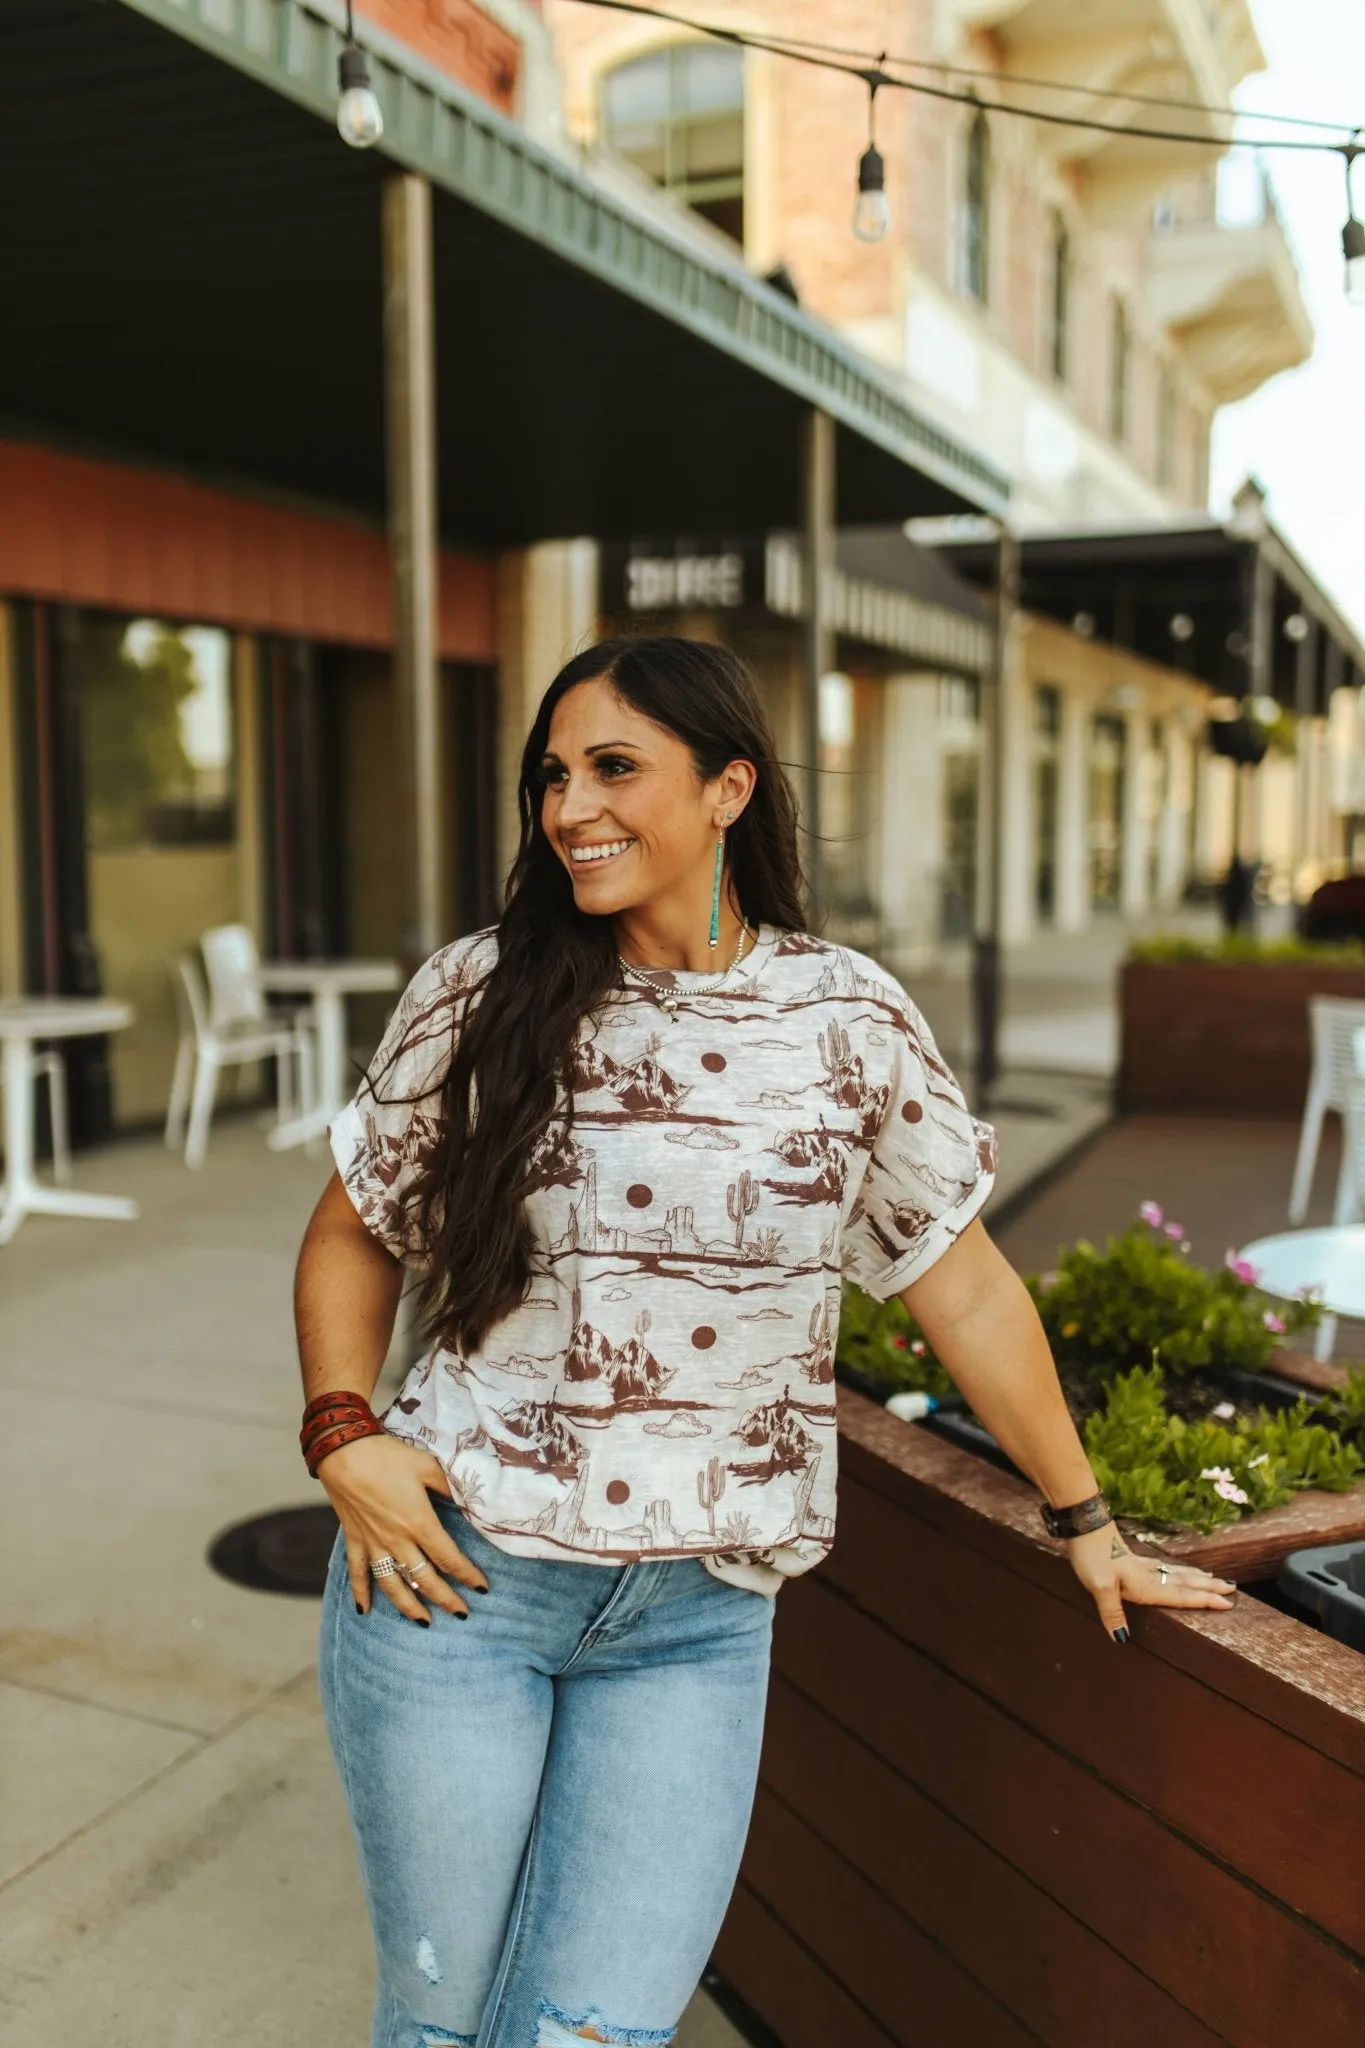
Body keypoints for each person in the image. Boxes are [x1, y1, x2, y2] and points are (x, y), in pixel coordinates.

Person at [294, 636, 1235, 2048]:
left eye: (615, 767)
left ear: (729, 788)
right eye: (552, 775)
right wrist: (342, 1434)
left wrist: (1084, 1519)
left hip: (698, 1616)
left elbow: (960, 1283)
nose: (570, 808)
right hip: (457, 1584)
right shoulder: (482, 989)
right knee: (440, 2022)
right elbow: (356, 1226)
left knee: (590, 2034)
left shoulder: (846, 1017)